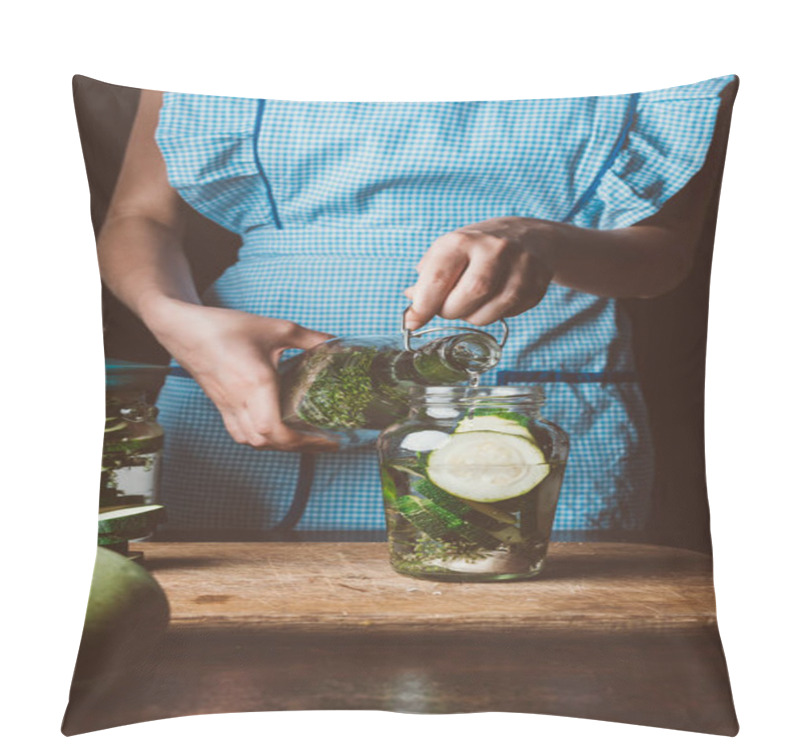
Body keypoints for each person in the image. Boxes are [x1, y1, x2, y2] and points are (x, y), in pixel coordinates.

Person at [97, 75, 737, 540]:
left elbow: (665, 256)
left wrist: (543, 240)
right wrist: (173, 321)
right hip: (241, 399)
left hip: (531, 403)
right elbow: (138, 217)